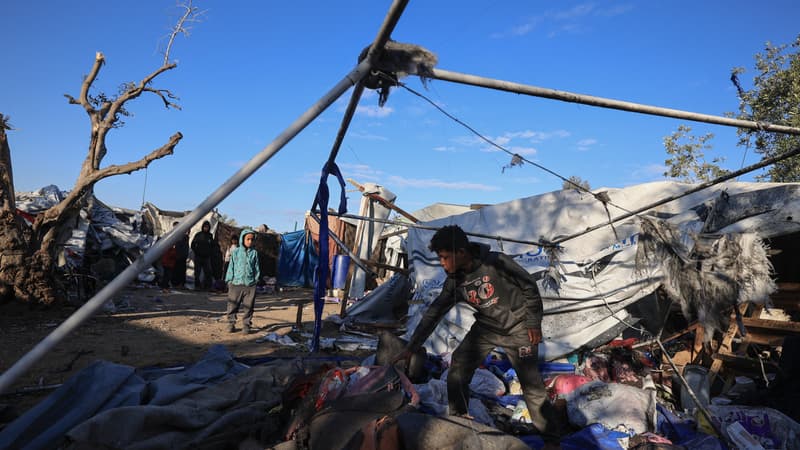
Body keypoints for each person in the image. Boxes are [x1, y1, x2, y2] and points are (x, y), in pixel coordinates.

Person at [395, 225, 558, 438]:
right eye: (440, 259)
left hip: (518, 328)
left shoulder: (497, 263)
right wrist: (412, 346)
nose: (442, 264)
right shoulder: (455, 281)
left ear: (461, 252)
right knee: (458, 367)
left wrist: (533, 323)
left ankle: (552, 440)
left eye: (445, 258)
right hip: (487, 328)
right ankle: (460, 419)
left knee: (532, 386)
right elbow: (434, 313)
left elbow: (529, 286)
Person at [225, 229, 261, 333]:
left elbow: (256, 268)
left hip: (250, 284)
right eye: (248, 239)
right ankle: (231, 324)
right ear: (242, 239)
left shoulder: (254, 253)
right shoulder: (236, 252)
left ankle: (246, 325)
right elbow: (231, 266)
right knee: (232, 305)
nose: (250, 241)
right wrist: (229, 280)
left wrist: (255, 280)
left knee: (249, 307)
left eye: (252, 239)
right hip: (236, 283)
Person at [191, 220, 215, 290]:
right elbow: (193, 244)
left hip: (206, 257)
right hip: (198, 256)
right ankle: (197, 286)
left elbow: (212, 245)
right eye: (205, 227)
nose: (206, 228)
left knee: (208, 272)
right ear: (203, 227)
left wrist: (210, 252)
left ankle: (208, 286)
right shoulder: (198, 235)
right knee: (197, 272)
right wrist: (196, 251)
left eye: (207, 227)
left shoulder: (210, 236)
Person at [171, 221, 190, 289]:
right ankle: (176, 283)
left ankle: (180, 284)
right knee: (176, 270)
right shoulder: (174, 235)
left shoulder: (184, 236)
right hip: (177, 255)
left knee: (181, 271)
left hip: (182, 256)